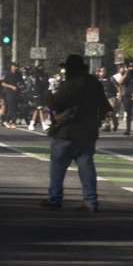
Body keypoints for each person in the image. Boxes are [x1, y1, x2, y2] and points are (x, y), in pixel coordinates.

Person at [41, 53, 106, 211]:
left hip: (66, 131)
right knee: (86, 166)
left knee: (58, 166)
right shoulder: (93, 82)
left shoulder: (70, 84)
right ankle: (91, 201)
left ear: (69, 68)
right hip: (87, 132)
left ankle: (55, 198)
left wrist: (48, 94)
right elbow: (104, 106)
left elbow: (54, 104)